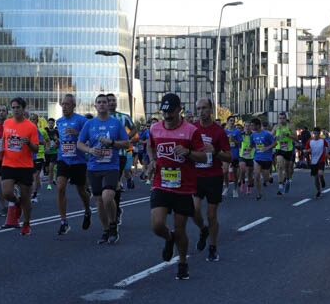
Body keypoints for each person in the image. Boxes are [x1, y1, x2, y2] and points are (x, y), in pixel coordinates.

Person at [145, 93, 209, 280]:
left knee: (180, 228)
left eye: (171, 112)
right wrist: (152, 161)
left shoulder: (191, 131)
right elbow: (150, 146)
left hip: (183, 186)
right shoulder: (155, 128)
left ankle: (182, 262)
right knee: (157, 225)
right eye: (164, 112)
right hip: (161, 183)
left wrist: (188, 152)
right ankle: (168, 238)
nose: (167, 116)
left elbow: (203, 156)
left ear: (179, 110)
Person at [77, 94, 131, 244]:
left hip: (111, 166)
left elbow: (126, 143)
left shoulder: (115, 123)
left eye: (104, 102)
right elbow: (79, 144)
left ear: (108, 105)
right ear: (95, 106)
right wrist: (90, 150)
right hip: (94, 167)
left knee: (108, 197)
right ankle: (106, 230)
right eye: (99, 102)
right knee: (99, 201)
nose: (101, 105)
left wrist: (112, 142)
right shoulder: (89, 124)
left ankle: (113, 225)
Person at [191, 98, 233, 262]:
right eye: (198, 108)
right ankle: (203, 230)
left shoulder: (219, 132)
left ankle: (213, 247)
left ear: (211, 109)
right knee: (193, 210)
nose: (201, 111)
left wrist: (215, 152)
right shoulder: (192, 128)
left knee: (211, 214)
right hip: (196, 176)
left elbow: (229, 157)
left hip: (213, 176)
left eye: (204, 108)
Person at [0, 97, 39, 235]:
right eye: (13, 107)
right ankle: (17, 203)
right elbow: (4, 139)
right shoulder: (7, 123)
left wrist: (28, 143)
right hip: (8, 163)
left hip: (25, 166)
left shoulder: (31, 126)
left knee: (26, 197)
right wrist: (1, 149)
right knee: (7, 192)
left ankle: (27, 223)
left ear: (23, 109)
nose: (16, 110)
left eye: (18, 107)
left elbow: (36, 149)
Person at [55, 94, 92, 235]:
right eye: (63, 104)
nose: (64, 107)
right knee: (60, 187)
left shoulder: (82, 121)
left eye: (67, 104)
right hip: (63, 159)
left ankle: (87, 210)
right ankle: (64, 221)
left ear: (73, 106)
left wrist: (77, 133)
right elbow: (62, 139)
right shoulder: (59, 122)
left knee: (81, 191)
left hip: (78, 161)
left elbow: (89, 139)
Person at [249, 118, 275, 200]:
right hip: (257, 157)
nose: (251, 127)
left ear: (258, 126)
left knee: (266, 179)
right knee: (256, 175)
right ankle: (259, 193)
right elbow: (252, 144)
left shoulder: (267, 134)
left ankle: (269, 178)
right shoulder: (252, 135)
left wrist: (268, 147)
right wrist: (249, 148)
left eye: (252, 125)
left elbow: (275, 143)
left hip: (267, 158)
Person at [273, 112, 295, 195]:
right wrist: (275, 137)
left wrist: (288, 134)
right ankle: (280, 184)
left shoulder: (290, 126)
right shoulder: (276, 127)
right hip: (279, 148)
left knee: (287, 168)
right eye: (280, 118)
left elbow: (296, 137)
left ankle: (288, 180)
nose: (281, 120)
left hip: (288, 149)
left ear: (286, 118)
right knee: (280, 165)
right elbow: (271, 135)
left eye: (283, 118)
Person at [225, 116, 243, 198]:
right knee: (225, 171)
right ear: (227, 121)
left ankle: (235, 189)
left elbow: (239, 142)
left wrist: (233, 140)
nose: (232, 122)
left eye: (233, 121)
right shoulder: (224, 131)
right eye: (231, 120)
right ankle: (227, 187)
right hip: (226, 154)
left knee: (235, 174)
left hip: (235, 154)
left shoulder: (237, 131)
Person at [308, 127, 327, 197]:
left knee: (320, 174)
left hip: (321, 160)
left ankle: (322, 179)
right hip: (313, 161)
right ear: (313, 133)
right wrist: (306, 151)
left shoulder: (322, 140)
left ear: (319, 134)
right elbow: (306, 149)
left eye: (317, 133)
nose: (316, 135)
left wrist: (326, 154)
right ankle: (319, 191)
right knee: (315, 178)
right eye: (314, 133)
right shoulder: (310, 141)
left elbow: (327, 146)